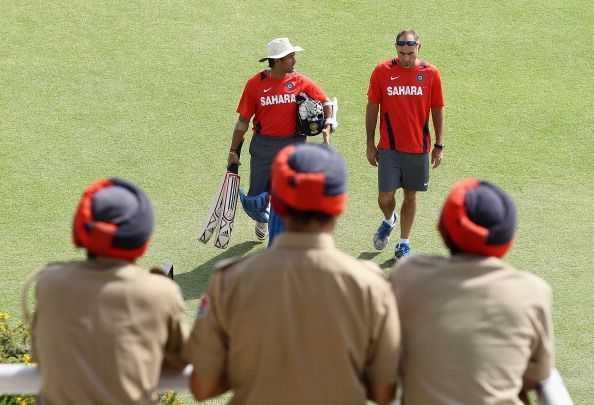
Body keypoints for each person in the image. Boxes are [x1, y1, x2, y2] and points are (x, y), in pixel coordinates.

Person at [185, 144, 400, 405]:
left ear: (277, 201)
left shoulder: (229, 281)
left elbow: (202, 386)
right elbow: (384, 391)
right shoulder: (371, 286)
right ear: (340, 205)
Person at [24, 178, 189, 404]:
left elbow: (40, 354)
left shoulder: (48, 282)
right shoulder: (162, 293)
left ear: (80, 230)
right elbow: (183, 359)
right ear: (144, 239)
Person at [389, 178, 554, 404]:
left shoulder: (407, 274)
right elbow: (537, 374)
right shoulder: (533, 292)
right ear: (508, 238)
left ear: (443, 228)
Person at [229, 37, 335, 243]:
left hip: (293, 147)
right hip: (263, 147)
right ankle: (264, 219)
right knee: (255, 201)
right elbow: (243, 122)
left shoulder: (300, 81)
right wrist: (233, 151)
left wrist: (328, 124)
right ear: (277, 61)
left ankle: (278, 240)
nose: (295, 60)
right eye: (290, 56)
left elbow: (326, 101)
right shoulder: (255, 85)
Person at [366, 29, 445, 260]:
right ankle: (389, 220)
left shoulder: (431, 73)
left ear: (419, 48)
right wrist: (370, 143)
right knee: (385, 197)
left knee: (411, 196)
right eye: (401, 53)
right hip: (389, 148)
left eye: (410, 53)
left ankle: (403, 243)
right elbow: (372, 108)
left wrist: (439, 145)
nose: (406, 58)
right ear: (396, 49)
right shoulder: (382, 72)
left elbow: (437, 108)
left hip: (418, 148)